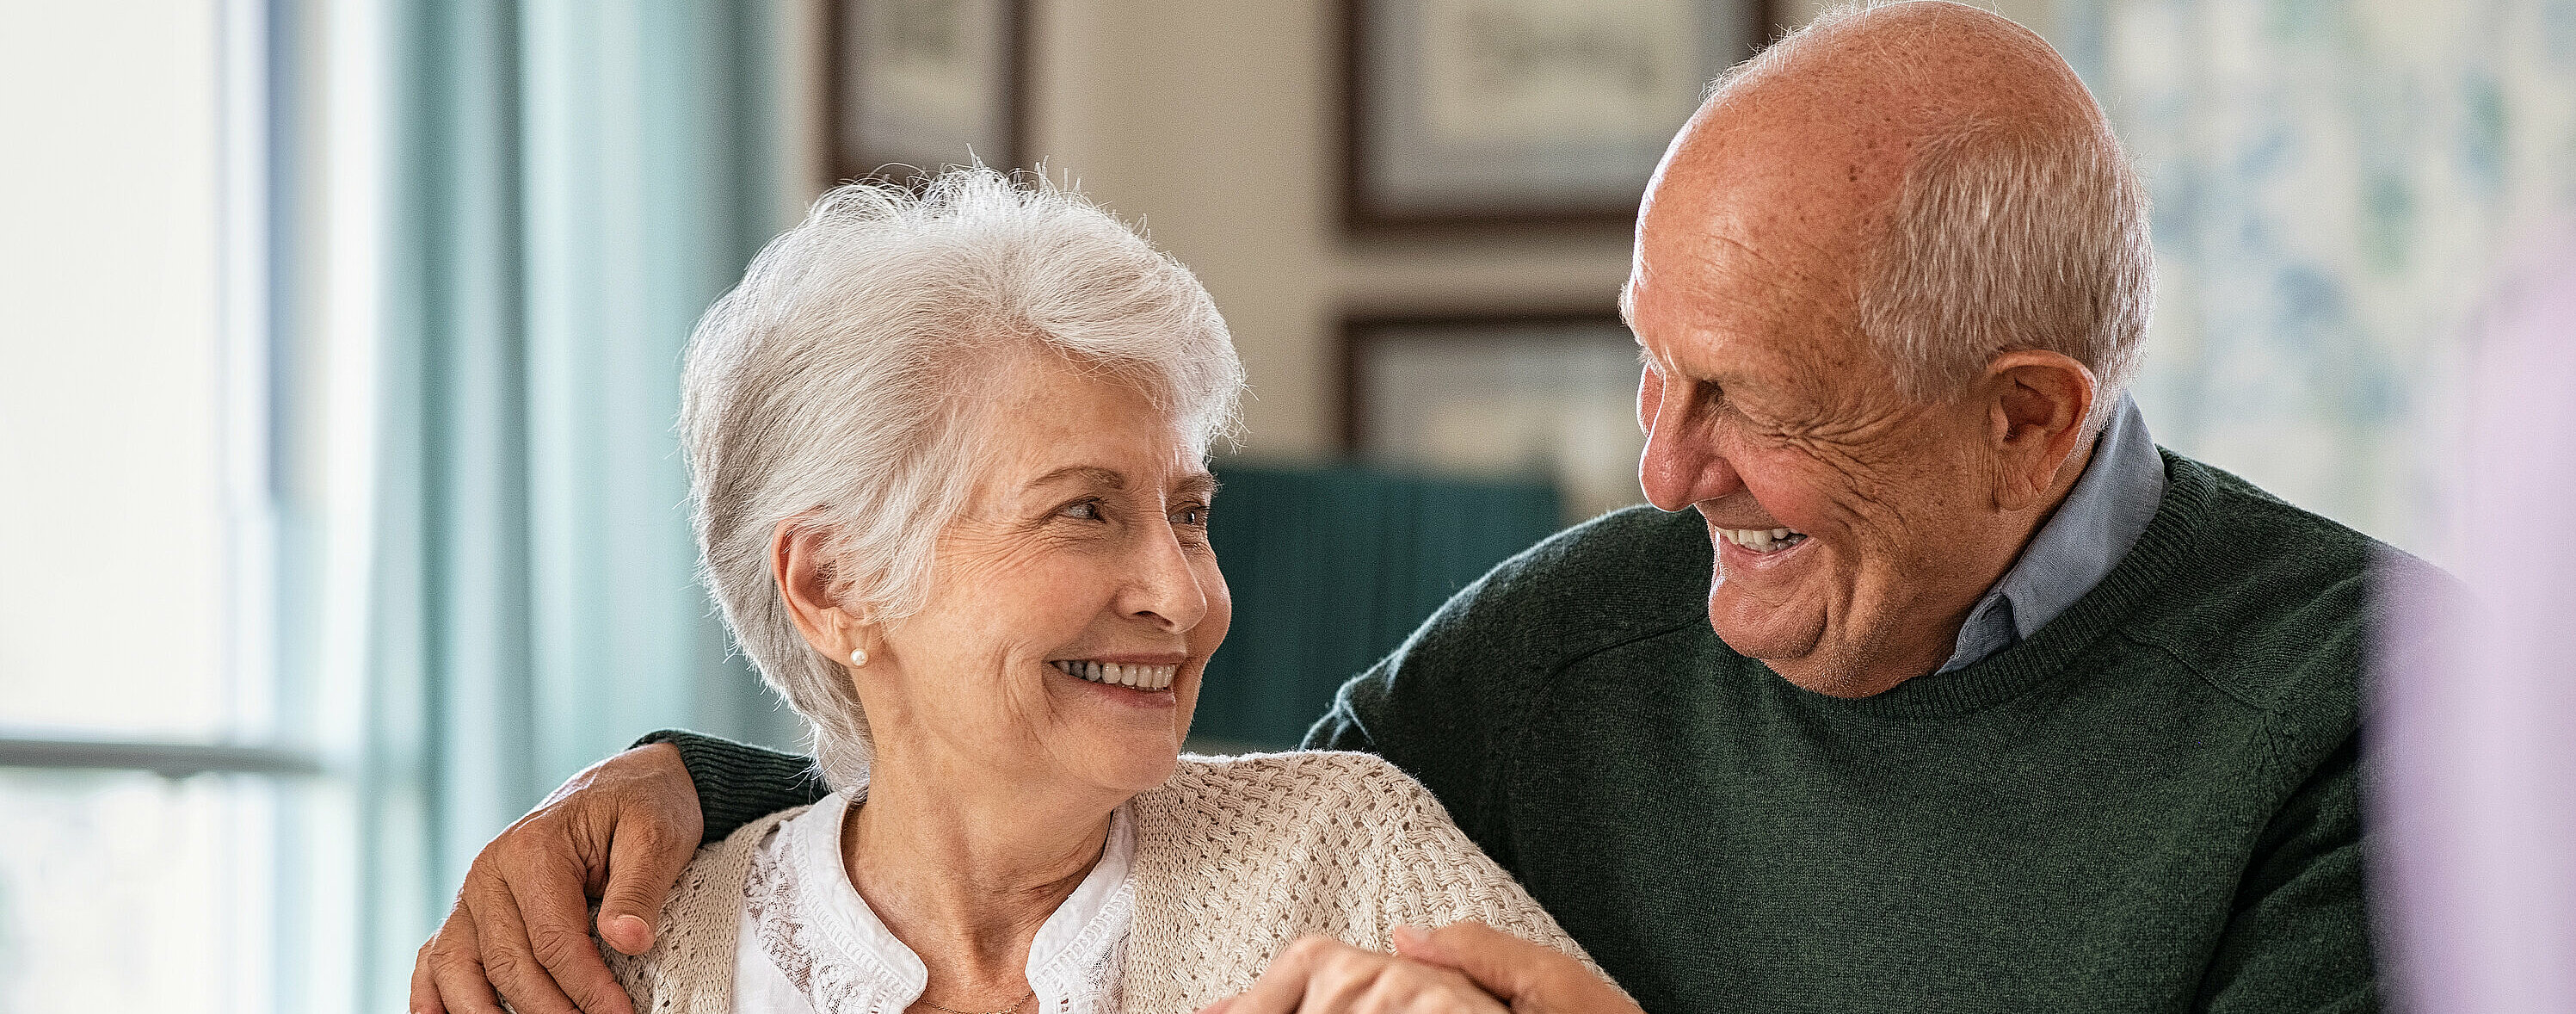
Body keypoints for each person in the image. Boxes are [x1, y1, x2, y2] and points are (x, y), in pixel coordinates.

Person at [416, 3, 2408, 1011]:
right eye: (1649, 360)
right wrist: (698, 798)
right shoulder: (1571, 647)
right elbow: (1168, 823)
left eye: (1749, 405)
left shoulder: (2386, 723)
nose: (1659, 472)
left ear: (2030, 422)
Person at [442, 169, 1618, 1014]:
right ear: (831, 580)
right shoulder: (622, 966)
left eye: (1188, 511)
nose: (1181, 591)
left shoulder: (1347, 853)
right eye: (1084, 510)